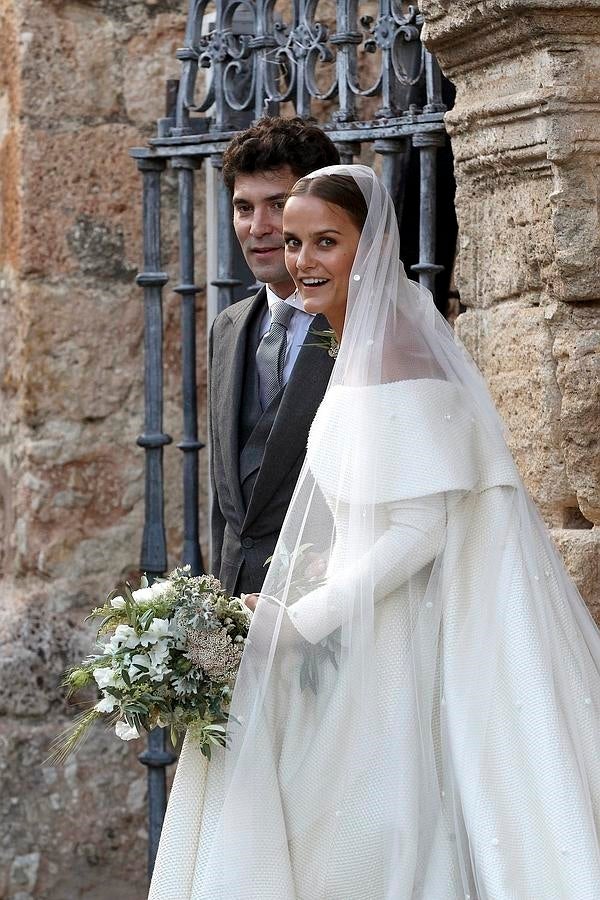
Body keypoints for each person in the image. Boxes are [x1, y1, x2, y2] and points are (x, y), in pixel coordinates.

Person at [149, 166, 600, 899]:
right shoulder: (349, 346)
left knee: (373, 833)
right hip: (349, 624)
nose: (301, 261)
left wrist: (303, 617)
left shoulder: (395, 351)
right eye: (293, 243)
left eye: (326, 241)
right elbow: (372, 504)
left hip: (389, 634)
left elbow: (421, 529)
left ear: (372, 246)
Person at [208, 116, 339, 597]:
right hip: (238, 611)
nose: (258, 228)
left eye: (277, 206)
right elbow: (229, 504)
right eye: (243, 207)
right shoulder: (227, 327)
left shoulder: (366, 325)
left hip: (332, 609)